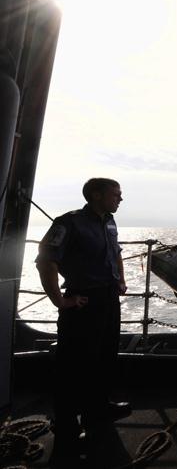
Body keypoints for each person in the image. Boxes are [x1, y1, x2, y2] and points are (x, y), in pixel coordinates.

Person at [36, 178, 129, 466]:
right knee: (74, 365)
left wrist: (121, 279)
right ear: (96, 195)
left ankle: (97, 410)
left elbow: (115, 252)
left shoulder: (110, 221)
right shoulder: (69, 222)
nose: (120, 199)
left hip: (108, 300)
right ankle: (66, 425)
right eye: (116, 194)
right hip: (83, 303)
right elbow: (46, 260)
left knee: (104, 357)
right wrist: (60, 301)